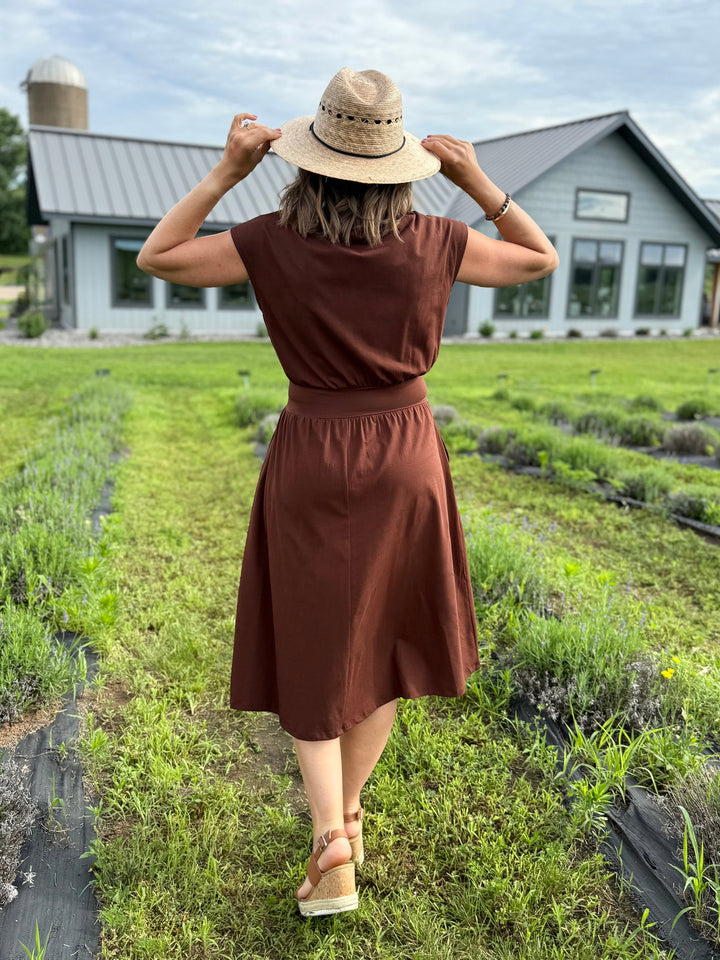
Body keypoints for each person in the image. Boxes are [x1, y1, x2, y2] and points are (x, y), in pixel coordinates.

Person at [137, 67, 558, 918]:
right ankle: (347, 822)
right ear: (397, 161)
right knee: (386, 643)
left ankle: (334, 838)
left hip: (311, 452)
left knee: (313, 638)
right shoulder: (439, 240)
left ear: (308, 156)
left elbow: (159, 256)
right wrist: (478, 181)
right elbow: (538, 259)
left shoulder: (268, 238)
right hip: (406, 453)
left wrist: (225, 172)